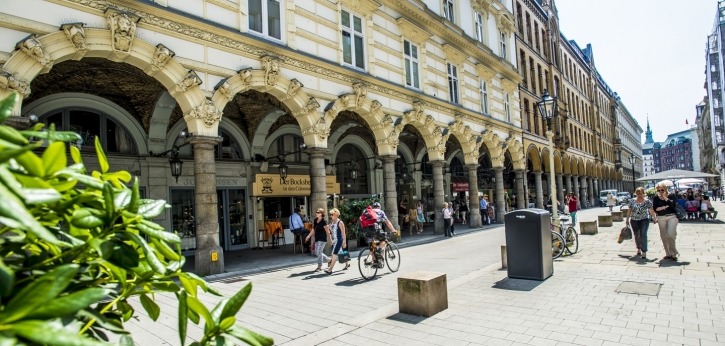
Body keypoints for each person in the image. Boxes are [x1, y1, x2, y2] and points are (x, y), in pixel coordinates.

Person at [625, 187, 657, 259]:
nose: (639, 194)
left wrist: (655, 218)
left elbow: (651, 210)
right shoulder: (632, 201)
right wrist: (627, 219)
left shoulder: (647, 201)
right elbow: (629, 211)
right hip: (634, 220)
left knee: (643, 234)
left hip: (644, 220)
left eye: (640, 193)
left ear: (643, 193)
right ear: (636, 193)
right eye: (638, 193)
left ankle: (644, 251)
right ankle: (638, 248)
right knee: (637, 235)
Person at [652, 182, 680, 261]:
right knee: (663, 236)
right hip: (661, 218)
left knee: (670, 234)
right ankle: (668, 253)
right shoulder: (656, 198)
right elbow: (655, 208)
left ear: (665, 189)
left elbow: (673, 205)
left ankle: (673, 253)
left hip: (672, 216)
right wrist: (665, 206)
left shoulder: (671, 195)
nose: (660, 192)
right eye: (658, 190)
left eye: (662, 190)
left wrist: (665, 198)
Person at [325, 208, 348, 273]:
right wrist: (327, 231)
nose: (331, 216)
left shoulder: (340, 222)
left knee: (334, 254)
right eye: (330, 214)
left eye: (332, 214)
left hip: (339, 241)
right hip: (335, 241)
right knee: (340, 253)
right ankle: (347, 263)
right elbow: (330, 232)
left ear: (336, 214)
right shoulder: (331, 223)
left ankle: (330, 270)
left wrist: (344, 242)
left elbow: (343, 233)